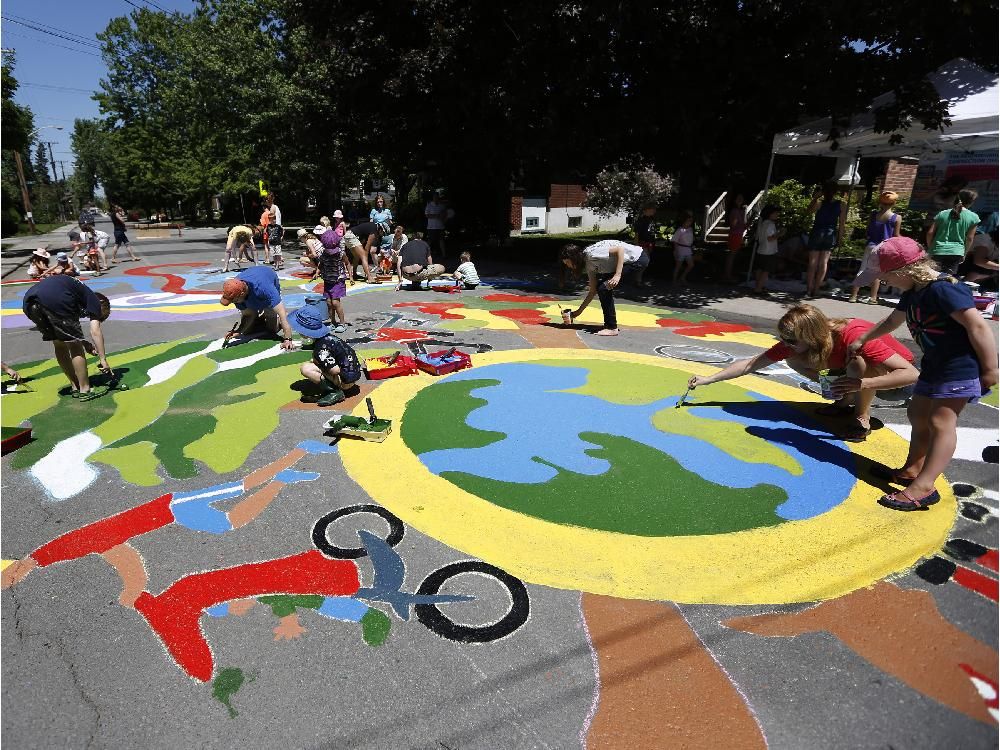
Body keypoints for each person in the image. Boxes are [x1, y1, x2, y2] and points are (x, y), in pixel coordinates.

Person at [848, 237, 998, 510]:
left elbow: (978, 327)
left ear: (903, 270)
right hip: (934, 365)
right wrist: (864, 338)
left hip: (959, 367)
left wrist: (990, 368)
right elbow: (893, 320)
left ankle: (925, 486)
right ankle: (912, 469)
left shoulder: (944, 289)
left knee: (941, 422)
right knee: (917, 414)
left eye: (887, 278)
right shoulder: (914, 291)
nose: (886, 283)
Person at [687, 303, 917, 442]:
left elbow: (912, 374)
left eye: (791, 340)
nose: (785, 343)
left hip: (896, 386)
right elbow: (751, 364)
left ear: (810, 335)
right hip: (860, 379)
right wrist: (708, 379)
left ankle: (861, 417)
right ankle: (843, 401)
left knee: (861, 360)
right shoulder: (798, 343)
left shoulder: (851, 335)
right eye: (783, 338)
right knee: (795, 361)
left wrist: (861, 385)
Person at [21, 274, 112, 398]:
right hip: (56, 297)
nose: (91, 316)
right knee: (74, 345)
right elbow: (95, 331)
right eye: (98, 316)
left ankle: (75, 385)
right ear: (101, 304)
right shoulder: (94, 301)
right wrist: (103, 359)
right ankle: (85, 389)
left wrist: (84, 342)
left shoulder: (77, 293)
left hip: (30, 302)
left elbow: (64, 331)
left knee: (59, 344)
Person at [560, 239, 650, 336]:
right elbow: (593, 290)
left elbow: (620, 250)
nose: (568, 266)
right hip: (628, 260)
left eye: (567, 262)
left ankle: (612, 328)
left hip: (637, 258)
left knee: (604, 288)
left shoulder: (592, 255)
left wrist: (617, 275)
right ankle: (611, 325)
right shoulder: (589, 264)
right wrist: (577, 313)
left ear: (574, 258)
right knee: (602, 288)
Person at [290, 304, 362, 407]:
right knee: (315, 362)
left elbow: (335, 370)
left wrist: (319, 365)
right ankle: (335, 385)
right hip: (352, 374)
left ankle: (334, 392)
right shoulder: (328, 338)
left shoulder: (321, 349)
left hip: (346, 381)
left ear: (304, 331)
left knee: (306, 368)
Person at [218, 266, 295, 350]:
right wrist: (238, 331)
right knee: (247, 331)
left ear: (242, 293)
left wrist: (288, 339)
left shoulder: (266, 290)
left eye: (234, 300)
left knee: (272, 329)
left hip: (267, 276)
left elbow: (282, 314)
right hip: (253, 283)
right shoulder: (234, 288)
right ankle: (259, 316)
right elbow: (248, 315)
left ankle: (267, 316)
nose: (233, 303)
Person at [849, 191, 901, 304]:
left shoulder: (873, 215)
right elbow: (896, 235)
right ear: (894, 203)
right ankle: (872, 298)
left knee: (863, 269)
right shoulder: (896, 218)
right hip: (883, 247)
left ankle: (853, 296)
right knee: (877, 272)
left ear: (880, 202)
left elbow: (868, 231)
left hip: (870, 245)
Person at [804, 181, 847, 298]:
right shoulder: (841, 204)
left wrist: (815, 198)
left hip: (817, 232)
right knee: (823, 263)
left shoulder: (819, 203)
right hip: (830, 233)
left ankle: (808, 289)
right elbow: (842, 224)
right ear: (836, 191)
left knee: (812, 263)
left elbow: (808, 212)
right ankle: (816, 289)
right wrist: (840, 238)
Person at [927, 189, 980, 276]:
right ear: (971, 202)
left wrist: (931, 248)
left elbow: (930, 233)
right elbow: (969, 238)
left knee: (931, 277)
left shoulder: (942, 213)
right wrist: (964, 253)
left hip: (937, 250)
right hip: (956, 252)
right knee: (947, 279)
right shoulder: (974, 217)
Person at [315, 221, 350, 333]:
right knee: (329, 303)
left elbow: (347, 262)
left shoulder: (340, 252)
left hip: (338, 280)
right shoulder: (324, 253)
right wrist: (317, 271)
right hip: (327, 280)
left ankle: (342, 323)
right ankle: (332, 322)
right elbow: (321, 263)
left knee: (335, 302)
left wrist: (351, 275)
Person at [752, 204, 780, 296]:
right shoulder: (770, 224)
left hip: (761, 249)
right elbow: (770, 238)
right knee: (766, 271)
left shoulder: (762, 222)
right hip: (769, 251)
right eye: (775, 213)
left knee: (759, 269)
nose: (777, 214)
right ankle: (759, 288)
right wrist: (780, 234)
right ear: (770, 214)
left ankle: (758, 286)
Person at [633, 203, 657, 286]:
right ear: (646, 210)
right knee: (644, 261)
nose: (654, 211)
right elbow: (637, 234)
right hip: (642, 243)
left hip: (649, 243)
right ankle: (637, 280)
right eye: (652, 209)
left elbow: (651, 231)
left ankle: (639, 277)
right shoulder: (640, 220)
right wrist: (636, 246)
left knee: (646, 262)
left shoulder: (651, 219)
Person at [725, 193, 747, 282]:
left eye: (741, 198)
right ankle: (727, 276)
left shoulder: (741, 211)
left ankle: (728, 275)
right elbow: (733, 225)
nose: (740, 199)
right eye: (738, 198)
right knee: (731, 255)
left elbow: (744, 224)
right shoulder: (734, 211)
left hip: (738, 234)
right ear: (735, 200)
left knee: (732, 255)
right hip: (735, 234)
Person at [671, 211, 695, 285]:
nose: (690, 223)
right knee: (678, 266)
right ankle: (674, 280)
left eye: (691, 221)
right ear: (684, 221)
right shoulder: (680, 230)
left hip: (688, 250)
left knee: (691, 265)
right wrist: (675, 251)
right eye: (688, 221)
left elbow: (692, 239)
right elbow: (675, 241)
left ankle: (682, 277)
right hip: (681, 249)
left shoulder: (690, 229)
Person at [425, 192, 446, 259]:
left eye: (437, 197)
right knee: (430, 241)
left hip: (440, 226)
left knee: (441, 240)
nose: (436, 198)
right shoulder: (429, 205)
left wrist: (442, 217)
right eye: (435, 197)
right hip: (431, 227)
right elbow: (427, 215)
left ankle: (444, 255)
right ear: (433, 198)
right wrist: (437, 215)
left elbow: (445, 214)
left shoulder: (441, 205)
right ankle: (425, 255)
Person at [266, 193, 284, 270]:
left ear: (268, 201)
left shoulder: (272, 208)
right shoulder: (275, 207)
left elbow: (271, 218)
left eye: (266, 201)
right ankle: (278, 261)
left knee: (276, 248)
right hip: (277, 228)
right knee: (276, 248)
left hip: (275, 229)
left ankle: (278, 261)